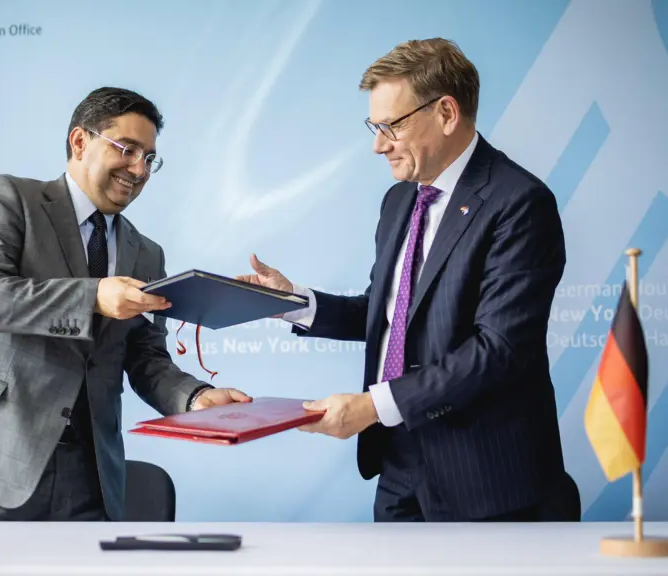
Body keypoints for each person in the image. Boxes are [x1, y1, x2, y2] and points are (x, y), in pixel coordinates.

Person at [237, 39, 581, 522]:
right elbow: (391, 314)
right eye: (374, 127)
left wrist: (372, 406)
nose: (378, 145)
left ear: (446, 113)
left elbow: (499, 349)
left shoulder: (519, 203)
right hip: (397, 469)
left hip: (489, 481)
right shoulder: (399, 200)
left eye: (391, 126)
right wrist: (293, 302)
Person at [0, 87, 251, 521]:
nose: (139, 169)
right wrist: (93, 296)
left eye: (149, 158)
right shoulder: (9, 198)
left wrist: (194, 397)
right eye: (127, 149)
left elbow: (145, 357)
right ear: (79, 141)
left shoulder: (147, 254)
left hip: (91, 475)